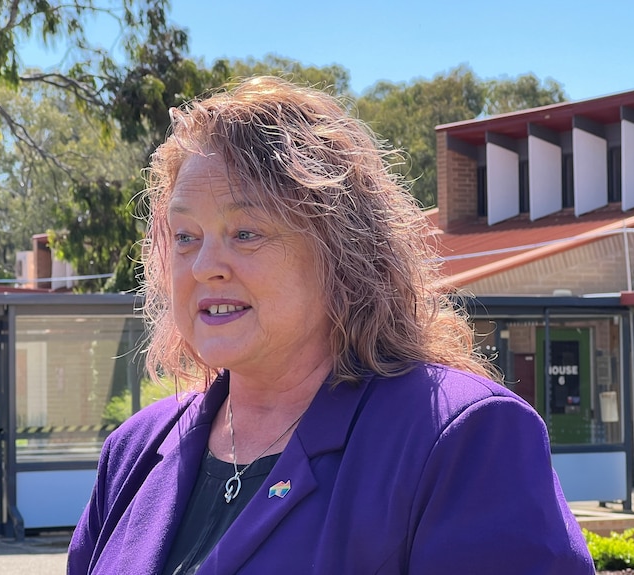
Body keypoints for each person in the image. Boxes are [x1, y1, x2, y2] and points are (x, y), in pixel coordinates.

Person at [67, 76, 594, 574]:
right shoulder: (133, 451)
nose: (205, 264)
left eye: (246, 232)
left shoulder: (461, 440)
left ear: (340, 253)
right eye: (185, 236)